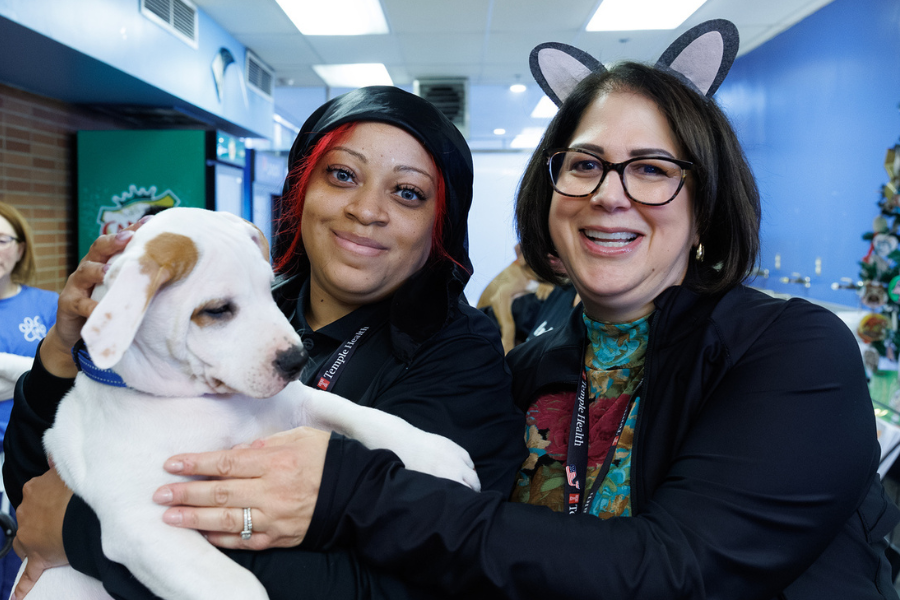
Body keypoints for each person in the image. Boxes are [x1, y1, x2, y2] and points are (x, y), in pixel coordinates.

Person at [98, 23, 895, 599]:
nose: (609, 193)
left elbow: (673, 570)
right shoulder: (539, 358)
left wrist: (352, 490)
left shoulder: (790, 351)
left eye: (652, 169)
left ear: (707, 204)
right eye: (584, 164)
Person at [3, 86, 525, 599]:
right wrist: (64, 349)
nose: (367, 210)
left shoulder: (457, 354)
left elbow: (407, 578)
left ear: (441, 222)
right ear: (301, 189)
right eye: (343, 175)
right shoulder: (226, 297)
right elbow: (33, 494)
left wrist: (83, 533)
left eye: (407, 192)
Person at [0, 202, 58, 599]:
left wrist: (16, 373)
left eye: (2, 240)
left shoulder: (49, 305)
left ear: (20, 248)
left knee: (21, 556)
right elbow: (42, 373)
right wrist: (29, 372)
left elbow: (68, 374)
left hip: (31, 454)